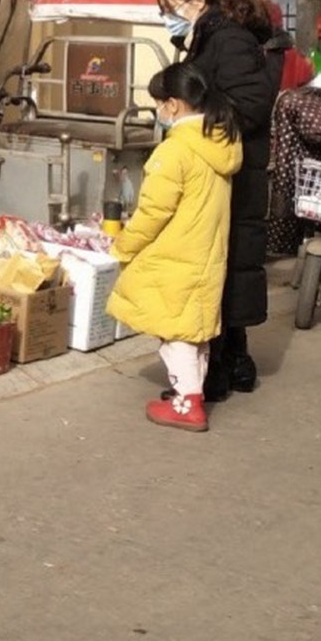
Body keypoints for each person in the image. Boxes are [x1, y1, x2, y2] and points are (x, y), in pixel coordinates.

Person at [156, 0, 280, 402]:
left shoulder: (227, 38)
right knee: (227, 266)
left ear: (197, 2)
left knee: (221, 268)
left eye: (170, 9)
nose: (167, 17)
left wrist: (193, 125)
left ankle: (219, 370)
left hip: (231, 171)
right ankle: (236, 361)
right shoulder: (213, 36)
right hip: (227, 168)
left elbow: (249, 104)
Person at [107, 63, 243, 432]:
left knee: (176, 333)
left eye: (158, 105)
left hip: (174, 255)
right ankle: (190, 394)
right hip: (206, 254)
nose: (158, 113)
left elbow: (153, 211)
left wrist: (124, 244)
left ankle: (188, 405)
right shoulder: (221, 142)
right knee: (194, 330)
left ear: (173, 105)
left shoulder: (175, 151)